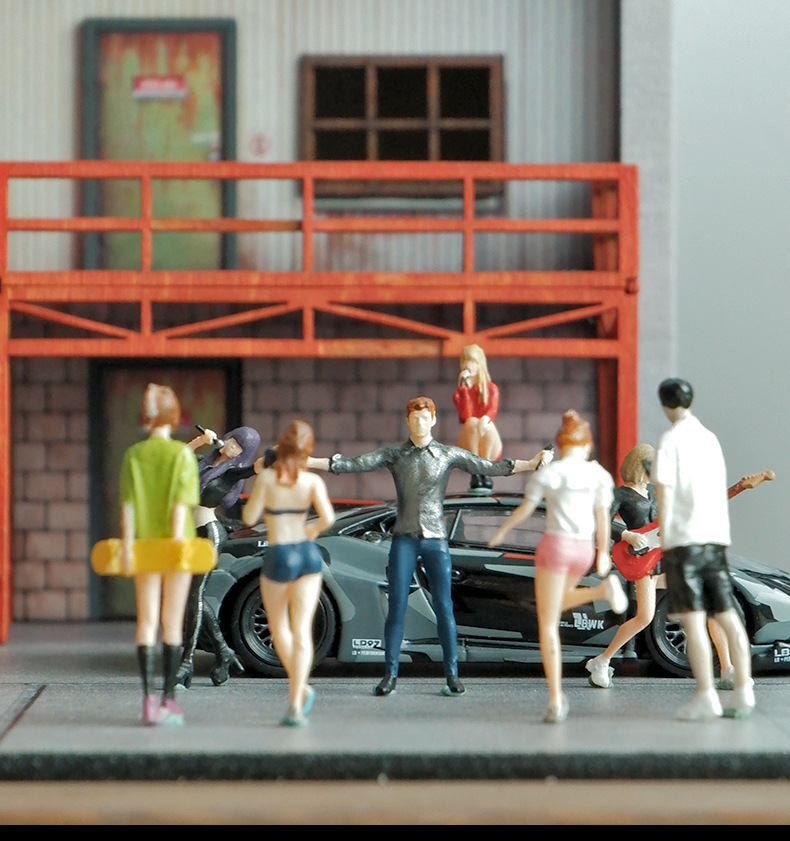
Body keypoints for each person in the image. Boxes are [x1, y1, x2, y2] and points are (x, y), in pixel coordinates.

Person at [309, 395, 549, 698]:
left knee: (444, 607)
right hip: (404, 539)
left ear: (433, 420)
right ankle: (390, 674)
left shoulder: (447, 454)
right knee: (396, 606)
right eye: (415, 418)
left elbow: (488, 466)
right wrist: (310, 462)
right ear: (407, 420)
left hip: (435, 539)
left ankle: (452, 674)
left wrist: (530, 463)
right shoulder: (396, 454)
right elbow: (354, 463)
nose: (420, 423)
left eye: (425, 418)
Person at [488, 409, 627, 723]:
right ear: (587, 445)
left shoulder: (550, 474)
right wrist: (603, 553)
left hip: (556, 546)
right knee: (561, 601)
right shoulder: (598, 475)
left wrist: (503, 531)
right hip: (583, 549)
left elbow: (526, 508)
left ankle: (556, 699)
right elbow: (603, 516)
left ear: (561, 445)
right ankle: (601, 589)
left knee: (548, 624)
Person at [585, 443, 736, 690]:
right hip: (641, 558)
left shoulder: (656, 491)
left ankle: (727, 668)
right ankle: (602, 661)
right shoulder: (620, 494)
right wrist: (626, 535)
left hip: (664, 556)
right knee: (645, 616)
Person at [653, 378, 754, 720]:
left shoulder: (670, 441)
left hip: (684, 541)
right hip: (714, 538)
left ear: (665, 405)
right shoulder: (710, 438)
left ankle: (706, 694)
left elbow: (664, 496)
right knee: (727, 614)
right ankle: (744, 690)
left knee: (693, 621)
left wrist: (665, 540)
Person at [243, 420, 335, 726]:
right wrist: (311, 529)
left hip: (279, 553)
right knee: (303, 629)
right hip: (307, 553)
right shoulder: (312, 482)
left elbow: (249, 516)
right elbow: (328, 519)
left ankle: (300, 687)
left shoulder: (268, 479)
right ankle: (296, 703)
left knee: (279, 626)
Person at [120, 383, 200, 726]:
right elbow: (181, 507)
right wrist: (176, 542)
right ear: (174, 415)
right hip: (177, 547)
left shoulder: (133, 455)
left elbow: (128, 507)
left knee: (146, 620)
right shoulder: (182, 455)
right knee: (172, 621)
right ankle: (168, 699)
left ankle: (146, 699)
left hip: (143, 546)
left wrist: (127, 545)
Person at [177, 426, 264, 689]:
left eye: (237, 446)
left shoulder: (232, 472)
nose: (230, 446)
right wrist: (200, 440)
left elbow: (254, 468)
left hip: (210, 534)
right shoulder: (204, 462)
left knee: (194, 596)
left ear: (242, 454)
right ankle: (224, 652)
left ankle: (186, 663)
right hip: (192, 534)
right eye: (230, 440)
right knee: (193, 597)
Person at [453, 344, 502, 493]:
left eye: (473, 361)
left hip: (489, 442)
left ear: (480, 364)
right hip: (469, 444)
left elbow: (492, 410)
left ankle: (485, 469)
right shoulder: (459, 394)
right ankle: (476, 470)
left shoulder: (492, 388)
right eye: (465, 361)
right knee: (472, 422)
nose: (469, 365)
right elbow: (465, 416)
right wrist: (464, 390)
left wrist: (485, 419)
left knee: (486, 424)